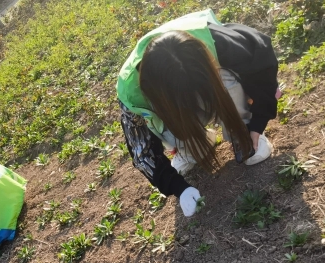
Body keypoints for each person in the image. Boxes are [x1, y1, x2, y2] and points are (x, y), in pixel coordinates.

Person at [117, 9, 280, 217]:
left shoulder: (215, 40)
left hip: (213, 84)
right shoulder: (131, 93)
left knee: (227, 78)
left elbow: (261, 58)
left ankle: (243, 131)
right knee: (161, 119)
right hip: (169, 109)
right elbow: (141, 151)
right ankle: (190, 146)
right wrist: (178, 188)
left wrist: (257, 122)